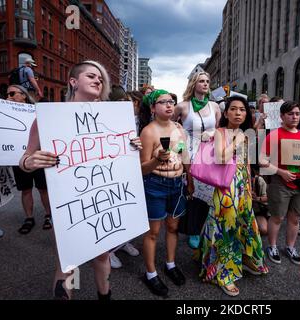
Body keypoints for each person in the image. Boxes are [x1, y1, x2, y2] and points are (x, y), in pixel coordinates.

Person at [18, 61, 139, 300]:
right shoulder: (49, 117)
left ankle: (104, 296)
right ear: (73, 82)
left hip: (103, 203)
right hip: (67, 208)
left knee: (102, 255)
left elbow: (122, 158)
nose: (98, 81)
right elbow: (25, 157)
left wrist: (133, 146)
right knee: (69, 262)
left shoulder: (112, 120)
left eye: (101, 78)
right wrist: (29, 162)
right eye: (91, 76)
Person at [198, 96, 268, 297]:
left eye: (242, 110)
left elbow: (246, 162)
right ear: (226, 112)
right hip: (225, 188)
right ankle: (223, 273)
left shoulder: (246, 134)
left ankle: (246, 259)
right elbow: (221, 158)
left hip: (243, 187)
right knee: (225, 229)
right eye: (234, 109)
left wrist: (249, 185)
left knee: (245, 224)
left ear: (247, 113)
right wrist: (237, 139)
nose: (238, 113)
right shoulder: (221, 132)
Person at [140, 89, 192, 297]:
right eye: (163, 102)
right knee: (153, 231)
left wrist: (190, 179)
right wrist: (157, 160)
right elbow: (142, 168)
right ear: (153, 108)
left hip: (177, 185)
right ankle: (151, 273)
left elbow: (182, 154)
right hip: (155, 185)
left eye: (171, 101)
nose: (169, 105)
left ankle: (170, 264)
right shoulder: (148, 132)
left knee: (173, 226)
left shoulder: (179, 128)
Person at [260, 101, 300, 266]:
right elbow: (262, 160)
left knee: (295, 218)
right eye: (291, 114)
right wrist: (281, 172)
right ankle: (273, 246)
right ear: (282, 116)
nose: (295, 117)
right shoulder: (274, 135)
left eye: (297, 114)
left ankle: (290, 247)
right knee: (277, 217)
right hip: (280, 182)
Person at [172, 72, 221, 249]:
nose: (205, 84)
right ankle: (192, 230)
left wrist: (213, 133)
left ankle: (204, 227)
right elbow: (168, 126)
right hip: (188, 151)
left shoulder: (215, 106)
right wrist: (178, 138)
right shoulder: (182, 106)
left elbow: (219, 128)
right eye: (201, 81)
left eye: (208, 81)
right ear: (194, 84)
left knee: (207, 191)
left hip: (208, 152)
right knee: (192, 191)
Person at [6, 85, 52, 234]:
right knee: (25, 190)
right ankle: (29, 218)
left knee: (43, 189)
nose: (9, 96)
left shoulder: (37, 112)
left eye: (13, 93)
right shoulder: (3, 114)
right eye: (7, 94)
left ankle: (48, 215)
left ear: (24, 95)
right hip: (18, 158)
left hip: (38, 157)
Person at [107, 86, 140, 269]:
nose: (123, 105)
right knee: (112, 209)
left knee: (127, 209)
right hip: (111, 171)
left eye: (125, 102)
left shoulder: (133, 120)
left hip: (129, 170)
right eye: (119, 102)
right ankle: (108, 250)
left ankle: (124, 241)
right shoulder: (104, 120)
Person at [251, 167, 269, 236]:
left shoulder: (259, 180)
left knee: (264, 229)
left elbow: (269, 198)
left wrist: (257, 198)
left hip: (257, 210)